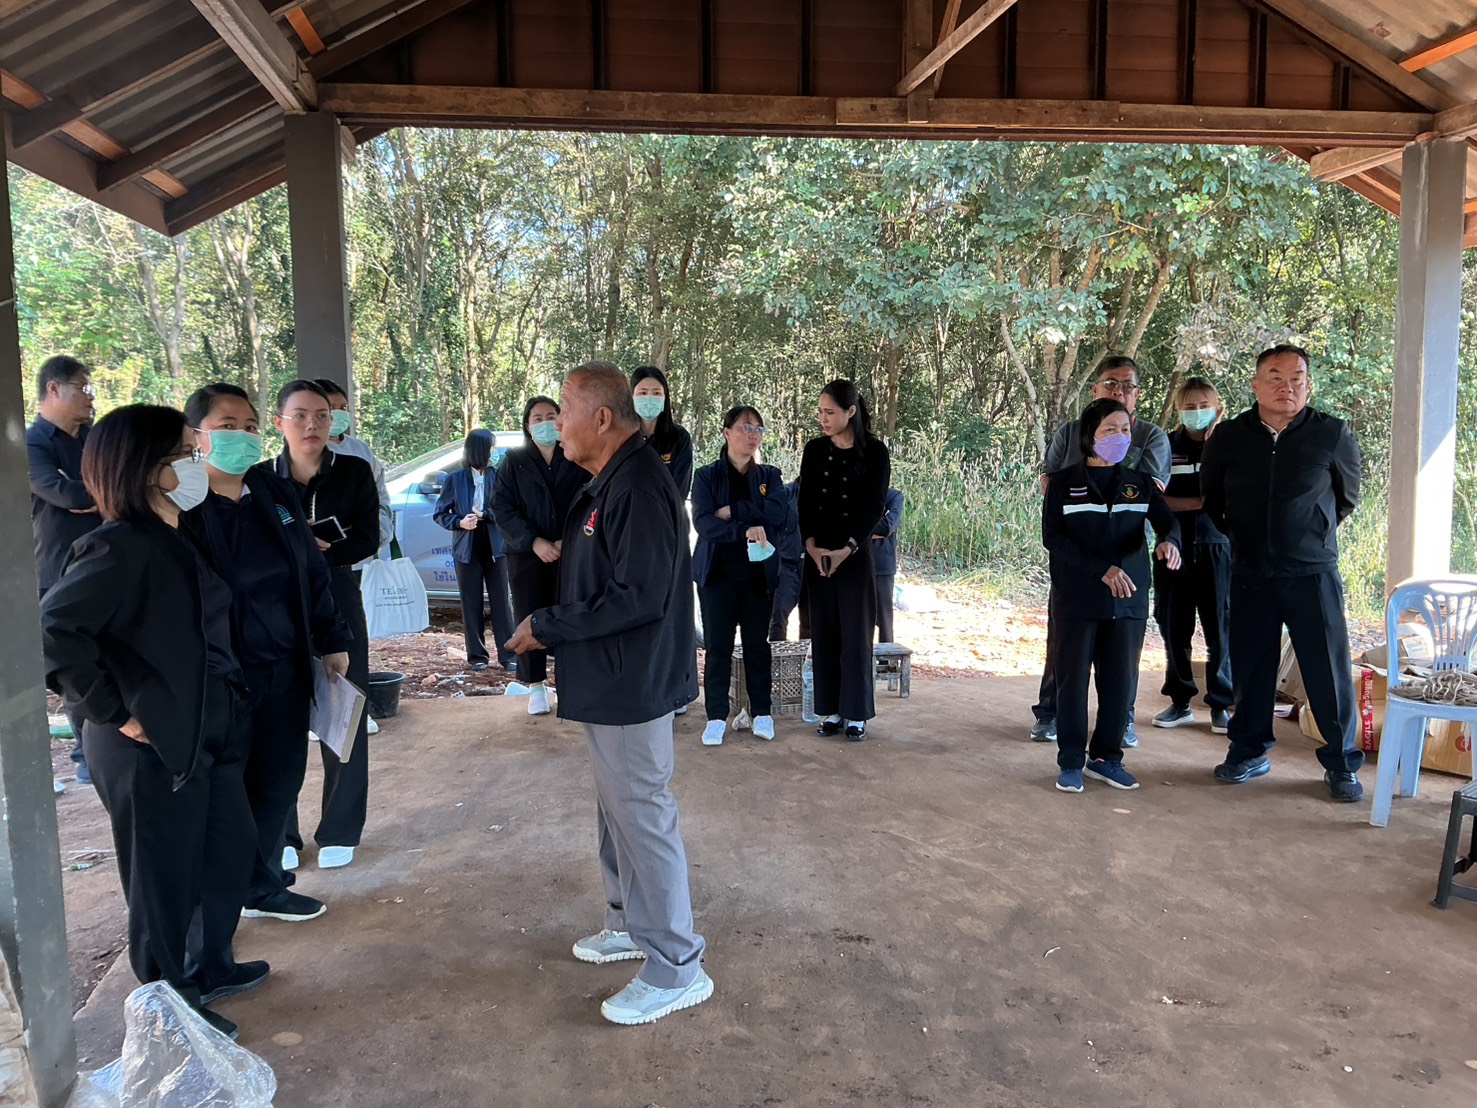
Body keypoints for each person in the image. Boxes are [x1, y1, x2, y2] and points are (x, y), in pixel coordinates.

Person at [40, 405, 258, 1040]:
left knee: (226, 850)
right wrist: (112, 710)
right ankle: (169, 1003)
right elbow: (54, 634)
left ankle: (210, 965)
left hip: (207, 722)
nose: (199, 463)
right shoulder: (116, 546)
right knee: (162, 877)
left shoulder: (179, 534)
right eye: (187, 454)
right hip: (149, 741)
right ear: (145, 469)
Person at [506, 362, 710, 1027]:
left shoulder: (639, 485)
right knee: (616, 810)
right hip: (611, 677)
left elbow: (638, 597)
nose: (555, 423)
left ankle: (677, 963)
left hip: (632, 681)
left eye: (564, 410)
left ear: (600, 418)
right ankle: (627, 922)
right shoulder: (611, 479)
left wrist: (548, 625)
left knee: (641, 812)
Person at [182, 384, 352, 924]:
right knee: (225, 792)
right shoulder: (181, 503)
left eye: (250, 426)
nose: (243, 436)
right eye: (227, 426)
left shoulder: (271, 492)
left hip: (283, 663)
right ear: (196, 436)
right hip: (220, 676)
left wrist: (331, 639)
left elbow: (311, 569)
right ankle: (213, 910)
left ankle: (264, 884)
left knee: (279, 781)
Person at [1199, 344, 1365, 802]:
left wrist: (1310, 532)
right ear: (1256, 385)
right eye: (1275, 377)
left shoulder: (1331, 434)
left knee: (1327, 668)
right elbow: (1214, 499)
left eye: (1297, 378)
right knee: (1251, 665)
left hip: (1312, 572)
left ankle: (1341, 763)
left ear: (1308, 386)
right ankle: (1248, 750)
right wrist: (1244, 537)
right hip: (1250, 569)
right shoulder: (1228, 437)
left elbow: (1346, 498)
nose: (1286, 387)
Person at [1043, 398, 1182, 794]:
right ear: (1090, 435)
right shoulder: (1063, 483)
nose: (1119, 437)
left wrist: (1169, 543)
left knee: (1120, 683)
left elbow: (1168, 523)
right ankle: (1071, 761)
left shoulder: (1139, 483)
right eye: (1109, 430)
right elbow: (1053, 539)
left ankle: (1106, 758)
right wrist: (1101, 570)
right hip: (1078, 598)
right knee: (1072, 682)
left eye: (1124, 430)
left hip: (1129, 599)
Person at [1032, 356, 1171, 748]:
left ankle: (1119, 724)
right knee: (1065, 648)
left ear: (1137, 395)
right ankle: (1051, 715)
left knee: (1121, 659)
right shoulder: (1069, 433)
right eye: (1111, 383)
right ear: (1095, 390)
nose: (1119, 391)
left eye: (1128, 386)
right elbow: (1050, 487)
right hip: (1075, 563)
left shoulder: (1152, 438)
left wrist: (1167, 540)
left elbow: (1152, 497)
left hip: (1127, 564)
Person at [272, 381, 381, 868]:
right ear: (280, 422)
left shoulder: (353, 471)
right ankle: (281, 833)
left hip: (338, 594)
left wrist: (324, 553)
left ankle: (340, 827)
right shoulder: (261, 479)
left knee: (344, 711)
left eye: (321, 415)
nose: (311, 424)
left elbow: (368, 537)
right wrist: (298, 550)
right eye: (299, 415)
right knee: (279, 717)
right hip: (276, 605)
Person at [798, 380, 891, 742]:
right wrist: (811, 545)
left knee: (855, 635)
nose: (823, 419)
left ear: (851, 412)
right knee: (823, 633)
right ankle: (831, 710)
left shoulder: (875, 452)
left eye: (830, 412)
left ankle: (856, 714)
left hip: (853, 554)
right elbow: (805, 501)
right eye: (820, 412)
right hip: (818, 555)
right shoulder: (814, 450)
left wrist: (847, 548)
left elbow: (873, 507)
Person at [691, 405, 789, 745]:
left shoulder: (769, 476)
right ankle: (716, 716)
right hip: (717, 576)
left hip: (757, 577)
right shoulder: (706, 476)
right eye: (746, 427)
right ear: (727, 433)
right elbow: (704, 523)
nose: (753, 435)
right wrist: (744, 530)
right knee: (718, 647)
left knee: (757, 646)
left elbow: (777, 512)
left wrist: (734, 511)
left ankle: (762, 712)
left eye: (758, 429)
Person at [27, 355, 100, 784]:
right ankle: (85, 752)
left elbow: (122, 480)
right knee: (74, 663)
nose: (90, 397)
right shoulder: (31, 444)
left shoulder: (94, 438)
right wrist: (104, 490)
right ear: (54, 389)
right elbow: (66, 495)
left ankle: (109, 738)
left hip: (108, 562)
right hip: (59, 569)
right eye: (83, 387)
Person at [493, 396, 587, 716]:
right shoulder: (514, 461)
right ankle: (535, 685)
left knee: (569, 613)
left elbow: (591, 500)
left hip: (570, 551)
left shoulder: (575, 456)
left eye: (551, 416)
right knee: (529, 615)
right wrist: (534, 542)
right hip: (527, 555)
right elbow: (502, 508)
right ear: (527, 425)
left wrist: (569, 540)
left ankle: (570, 684)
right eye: (538, 418)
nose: (545, 423)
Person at [1152, 377, 1233, 734]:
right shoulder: (1166, 446)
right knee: (1174, 626)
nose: (1197, 412)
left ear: (1217, 408)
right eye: (1190, 406)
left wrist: (1214, 446)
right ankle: (1180, 700)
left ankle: (1221, 703)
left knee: (1221, 628)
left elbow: (1234, 496)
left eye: (1204, 406)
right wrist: (1200, 502)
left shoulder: (1229, 446)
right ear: (1179, 409)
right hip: (1174, 547)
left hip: (1220, 548)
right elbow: (1155, 498)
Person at [435, 429, 516, 673]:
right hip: (466, 547)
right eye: (492, 447)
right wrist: (460, 521)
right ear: (480, 449)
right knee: (470, 602)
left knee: (502, 602)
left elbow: (508, 510)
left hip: (496, 546)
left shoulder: (499, 476)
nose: (495, 452)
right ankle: (477, 657)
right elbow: (440, 513)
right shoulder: (455, 479)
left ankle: (508, 655)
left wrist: (486, 515)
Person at [316, 378, 394, 556]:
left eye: (343, 407)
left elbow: (380, 493)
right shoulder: (307, 452)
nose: (339, 413)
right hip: (324, 552)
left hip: (362, 551)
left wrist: (379, 528)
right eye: (332, 407)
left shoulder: (360, 449)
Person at [631, 365, 693, 498]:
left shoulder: (680, 438)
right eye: (643, 393)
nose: (649, 398)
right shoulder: (620, 438)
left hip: (666, 510)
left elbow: (680, 491)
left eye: (656, 393)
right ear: (632, 396)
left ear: (665, 397)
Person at [768, 478, 803, 641]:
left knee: (811, 621)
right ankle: (776, 655)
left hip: (814, 567)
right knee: (779, 618)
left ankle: (812, 656)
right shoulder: (786, 494)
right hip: (787, 566)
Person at [872, 487, 904, 644]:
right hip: (854, 564)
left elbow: (887, 527)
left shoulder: (894, 496)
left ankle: (887, 655)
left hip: (882, 565)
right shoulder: (855, 493)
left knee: (884, 619)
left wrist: (859, 531)